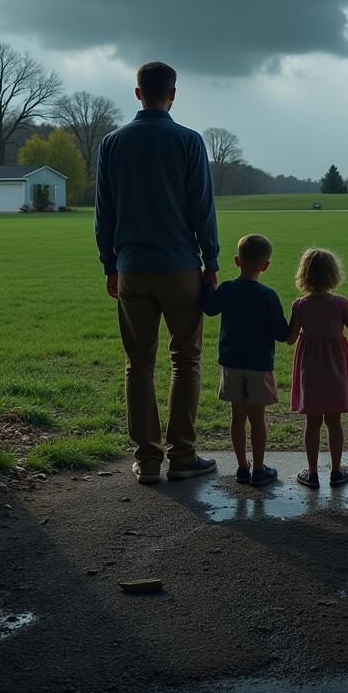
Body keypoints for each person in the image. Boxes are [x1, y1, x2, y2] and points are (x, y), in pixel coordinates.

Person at [94, 61, 220, 484]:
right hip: (181, 266)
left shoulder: (112, 143)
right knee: (186, 361)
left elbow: (104, 212)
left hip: (131, 269)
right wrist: (212, 261)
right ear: (173, 94)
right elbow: (202, 207)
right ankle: (182, 456)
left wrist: (110, 264)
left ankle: (147, 460)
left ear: (137, 93)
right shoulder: (188, 141)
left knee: (139, 365)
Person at [201, 233, 290, 487]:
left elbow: (208, 307)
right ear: (266, 266)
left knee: (237, 416)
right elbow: (281, 334)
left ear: (237, 261)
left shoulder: (227, 289)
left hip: (231, 363)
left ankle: (242, 467)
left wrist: (207, 283)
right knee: (257, 418)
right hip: (259, 366)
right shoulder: (268, 295)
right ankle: (259, 470)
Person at [286, 248, 348, 489]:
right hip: (335, 367)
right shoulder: (340, 303)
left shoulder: (299, 305)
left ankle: (312, 473)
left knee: (312, 422)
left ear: (304, 276)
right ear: (333, 275)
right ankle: (337, 470)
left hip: (310, 367)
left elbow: (289, 339)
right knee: (334, 421)